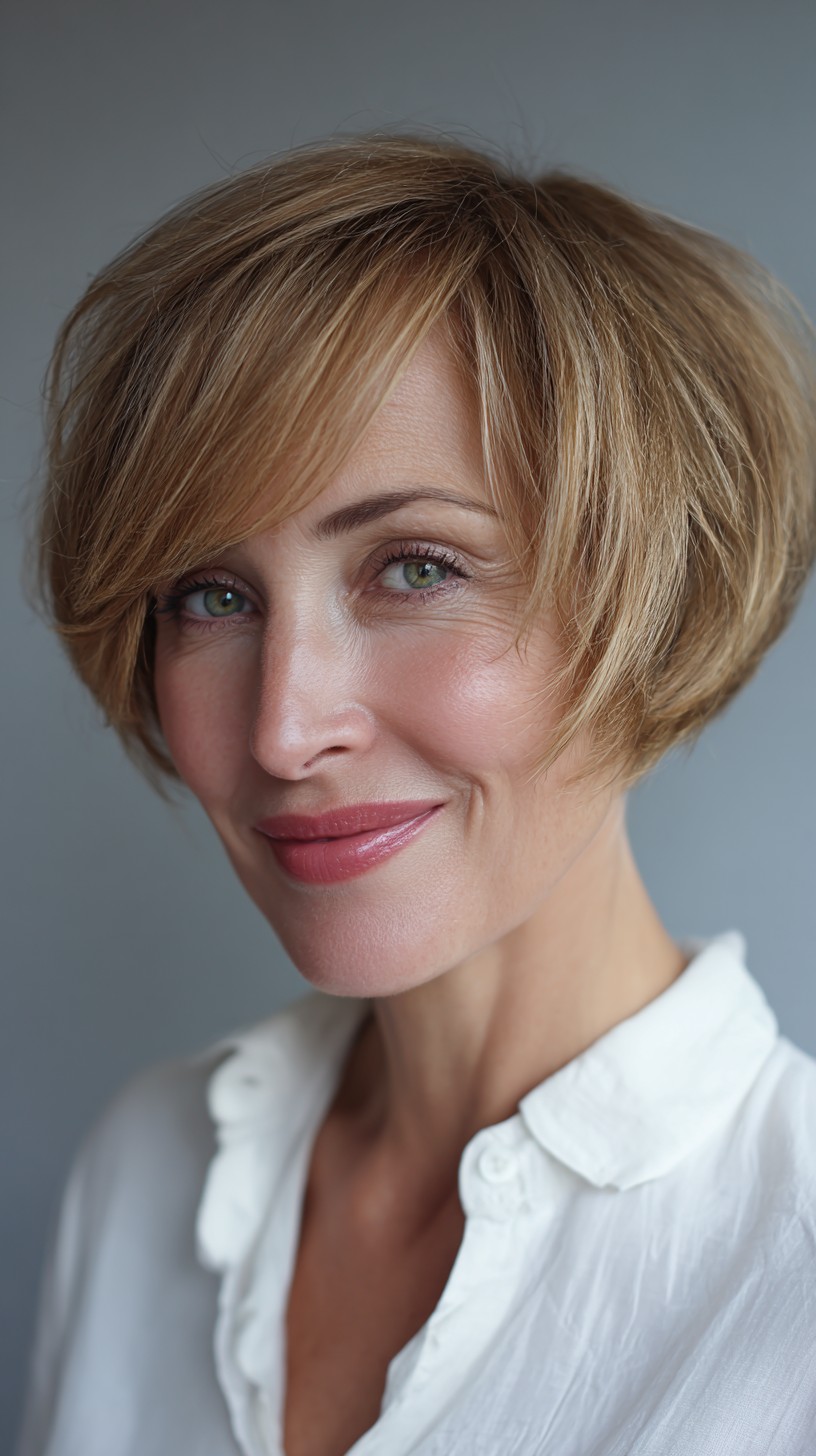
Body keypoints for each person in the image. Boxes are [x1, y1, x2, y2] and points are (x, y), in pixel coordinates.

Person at [16, 132, 816, 1456]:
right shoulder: (146, 1171)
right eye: (210, 596)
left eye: (417, 568)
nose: (284, 729)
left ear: (655, 595)